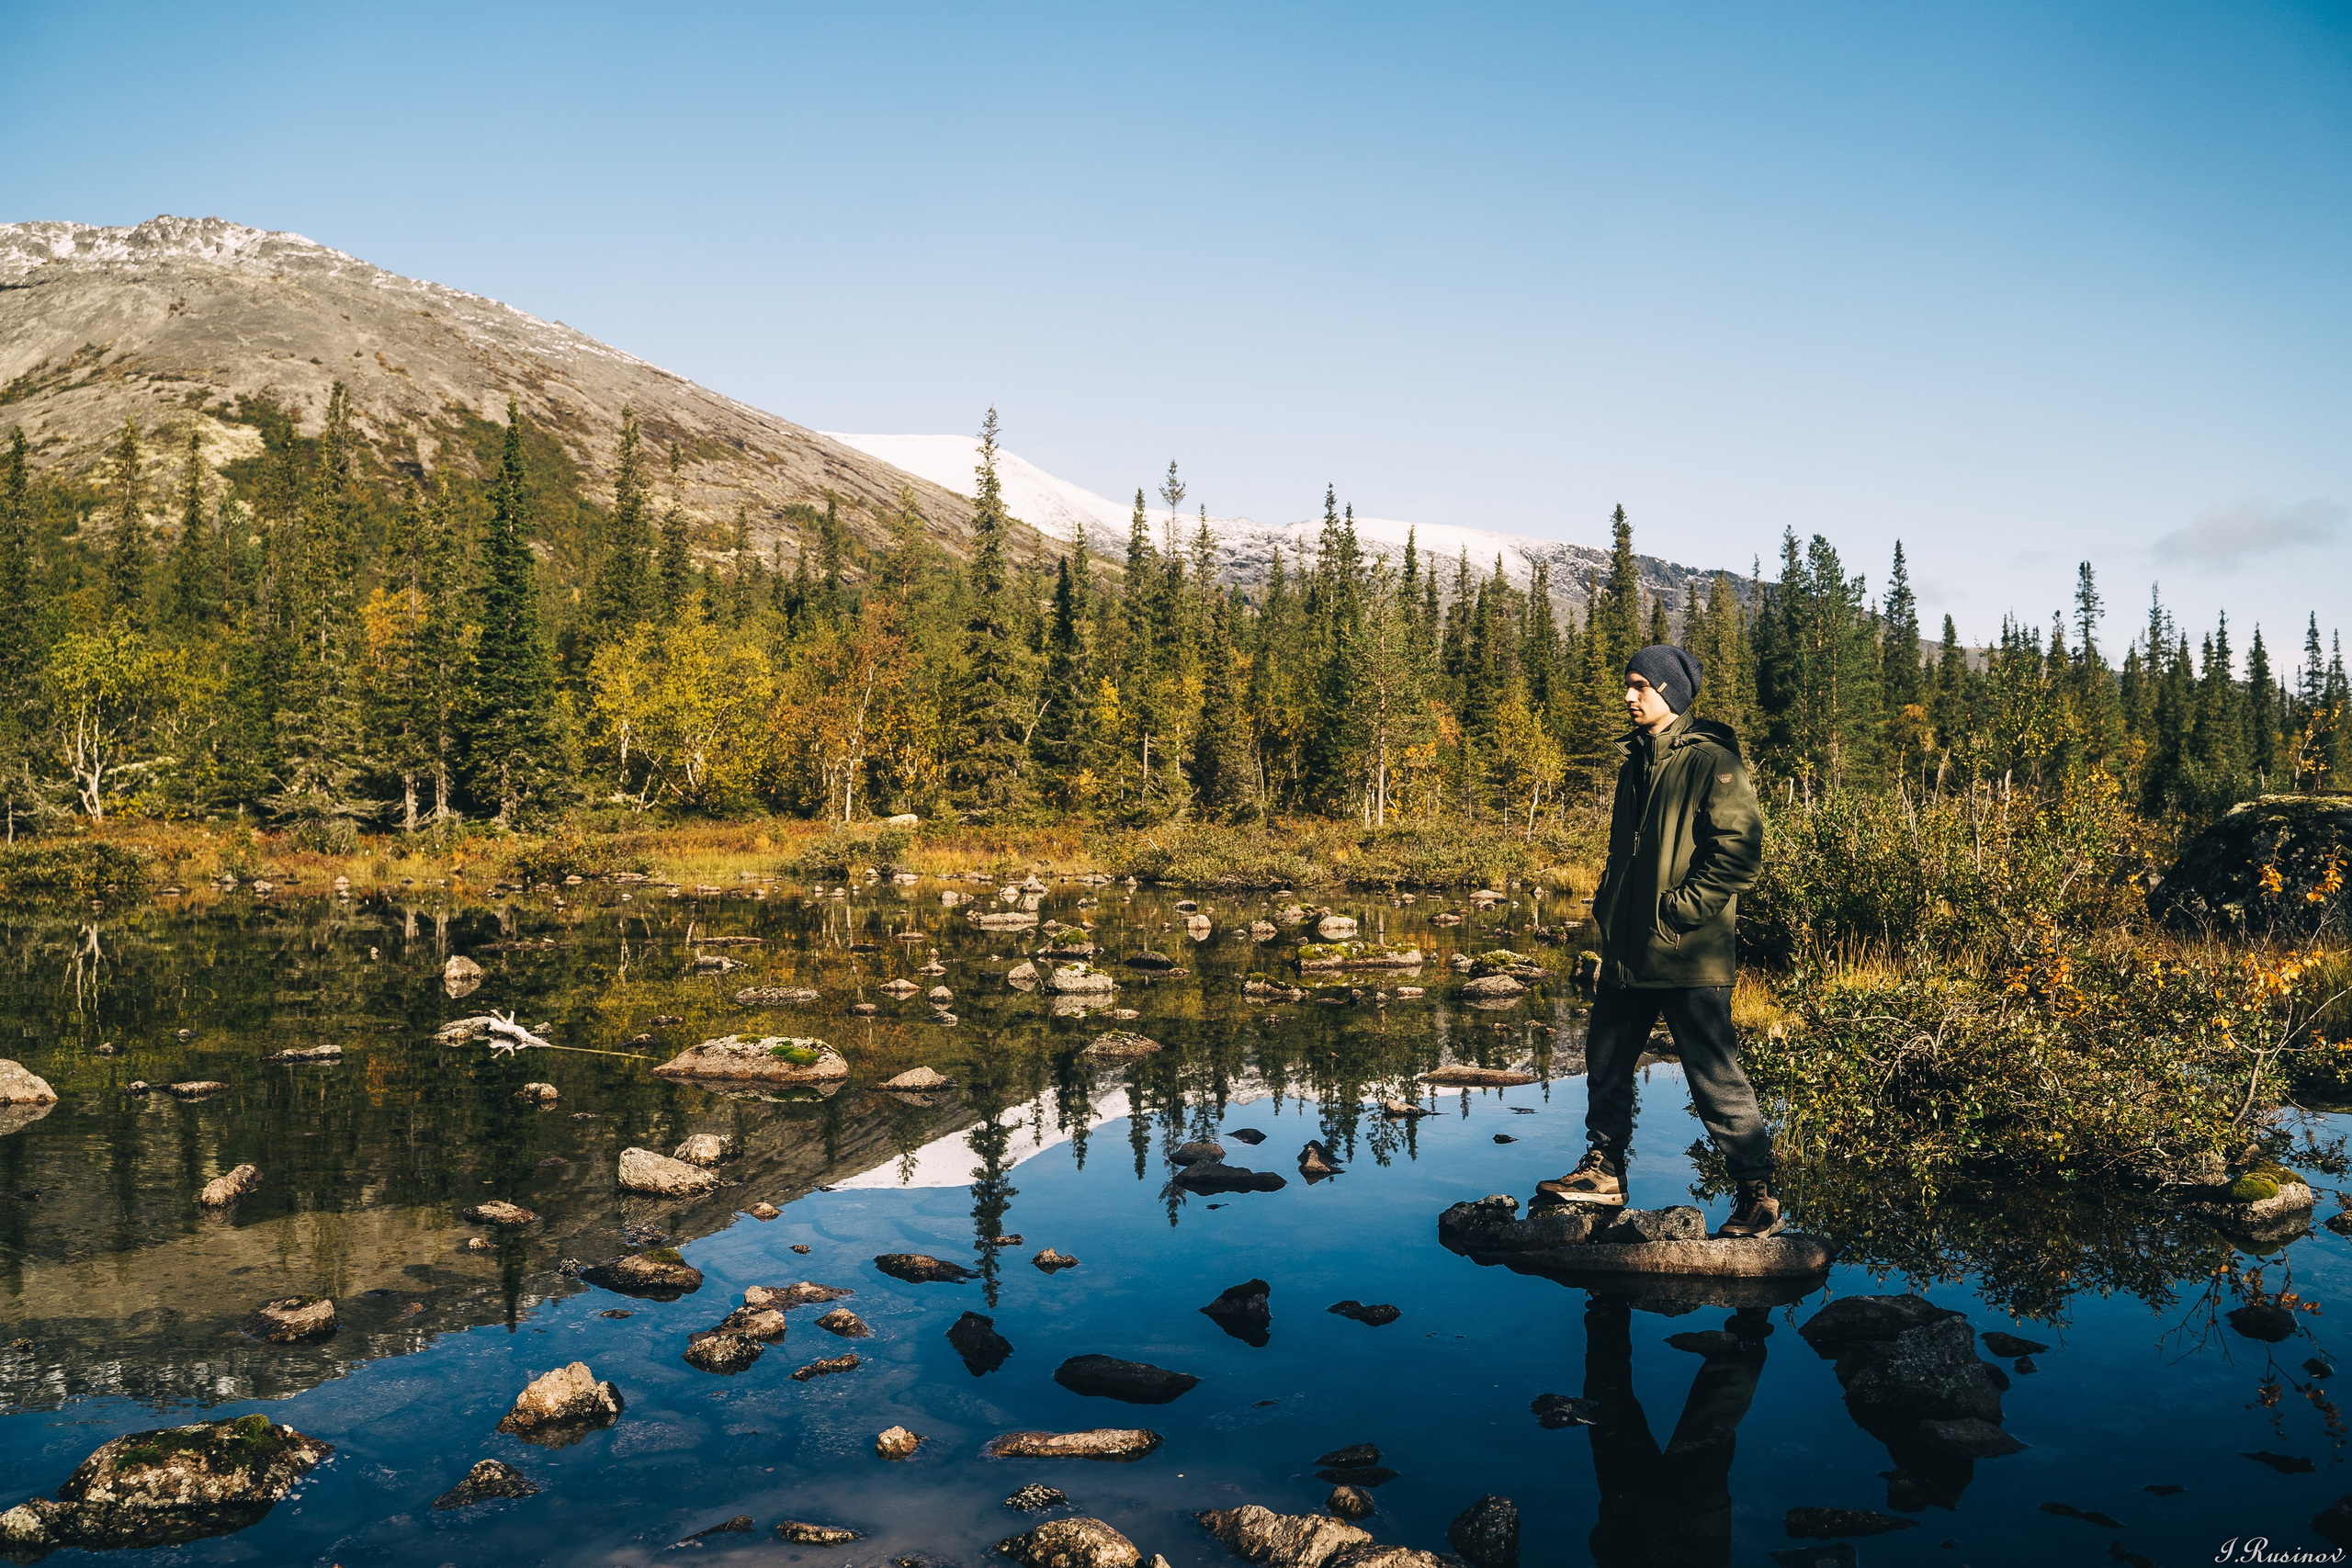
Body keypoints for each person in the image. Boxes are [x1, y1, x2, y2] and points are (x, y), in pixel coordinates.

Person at [1538, 643, 1779, 1238]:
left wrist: (1681, 911)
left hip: (1687, 951)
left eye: (1639, 685)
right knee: (1606, 1063)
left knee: (1714, 1076)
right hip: (1628, 949)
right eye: (1629, 683)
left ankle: (1757, 1196)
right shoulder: (1637, 761)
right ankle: (1605, 1172)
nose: (1628, 695)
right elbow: (1627, 853)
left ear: (1668, 692)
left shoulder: (1711, 760)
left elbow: (1740, 852)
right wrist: (1607, 905)